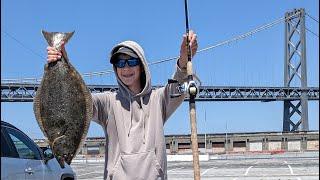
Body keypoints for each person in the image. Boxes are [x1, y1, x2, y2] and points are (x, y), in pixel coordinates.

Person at [46, 31, 198, 180]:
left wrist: (183, 62)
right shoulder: (108, 102)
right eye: (120, 63)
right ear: (115, 68)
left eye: (131, 62)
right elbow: (77, 102)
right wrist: (62, 62)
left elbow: (177, 86)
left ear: (141, 65)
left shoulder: (158, 100)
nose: (125, 68)